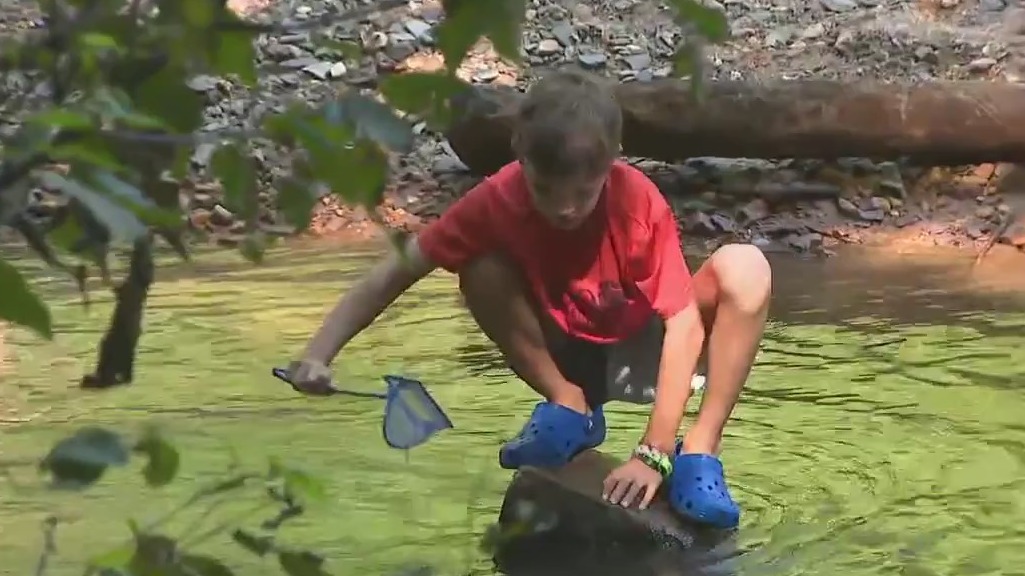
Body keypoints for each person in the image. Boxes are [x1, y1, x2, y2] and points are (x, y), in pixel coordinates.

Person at [287, 69, 771, 530]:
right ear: (518, 152)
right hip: (567, 351)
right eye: (544, 189)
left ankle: (700, 451)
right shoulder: (495, 200)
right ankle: (569, 405)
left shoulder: (635, 201)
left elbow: (684, 323)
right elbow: (396, 271)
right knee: (478, 266)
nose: (564, 208)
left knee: (746, 268)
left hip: (647, 349)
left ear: (613, 161)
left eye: (582, 193)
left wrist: (653, 452)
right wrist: (317, 354)